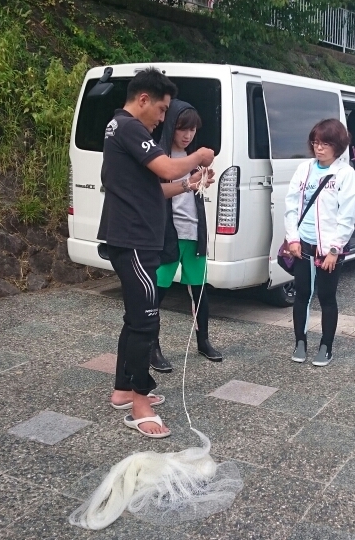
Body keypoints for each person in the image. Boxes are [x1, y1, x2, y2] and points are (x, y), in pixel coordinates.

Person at [99, 68, 215, 438]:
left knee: (136, 318)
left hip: (137, 239)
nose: (163, 119)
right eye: (163, 110)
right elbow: (165, 166)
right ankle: (140, 404)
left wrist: (189, 183)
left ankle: (122, 390)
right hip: (132, 240)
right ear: (144, 100)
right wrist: (198, 156)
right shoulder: (129, 126)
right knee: (147, 320)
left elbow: (157, 188)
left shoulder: (123, 132)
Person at [149, 100, 221, 373]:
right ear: (171, 127)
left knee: (200, 291)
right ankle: (152, 347)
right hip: (168, 234)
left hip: (193, 233)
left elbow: (195, 193)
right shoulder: (160, 158)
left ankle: (203, 341)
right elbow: (156, 194)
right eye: (182, 128)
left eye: (192, 129)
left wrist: (203, 178)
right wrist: (188, 181)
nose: (188, 134)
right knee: (158, 294)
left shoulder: (192, 158)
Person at [286, 119, 355, 367]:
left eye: (325, 143)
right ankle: (300, 341)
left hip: (328, 247)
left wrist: (334, 249)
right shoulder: (304, 169)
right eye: (316, 142)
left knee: (327, 297)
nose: (319, 148)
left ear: (338, 146)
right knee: (302, 295)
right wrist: (292, 238)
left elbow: (347, 216)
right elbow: (291, 205)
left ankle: (326, 346)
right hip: (303, 243)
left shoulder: (346, 175)